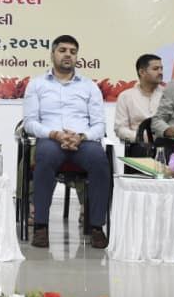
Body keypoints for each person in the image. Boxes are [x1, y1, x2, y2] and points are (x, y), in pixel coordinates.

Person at [22, 35, 110, 250]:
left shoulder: (89, 86)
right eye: (62, 50)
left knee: (100, 159)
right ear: (52, 54)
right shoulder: (37, 84)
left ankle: (96, 226)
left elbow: (99, 125)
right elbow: (30, 123)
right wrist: (54, 134)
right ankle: (41, 226)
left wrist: (81, 136)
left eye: (72, 51)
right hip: (51, 139)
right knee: (45, 156)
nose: (68, 55)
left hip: (83, 140)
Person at [114, 54, 164, 144]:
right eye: (155, 69)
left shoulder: (168, 95)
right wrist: (141, 137)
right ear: (142, 72)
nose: (160, 72)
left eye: (161, 68)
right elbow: (120, 129)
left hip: (164, 143)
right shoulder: (126, 96)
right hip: (138, 145)